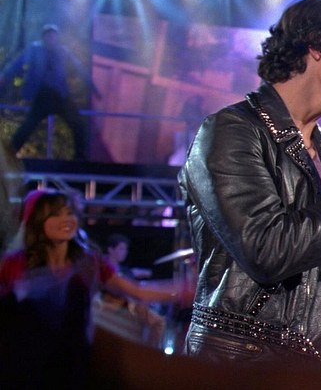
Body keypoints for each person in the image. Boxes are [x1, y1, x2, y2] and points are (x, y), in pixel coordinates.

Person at [178, 0, 321, 378]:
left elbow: (314, 280)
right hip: (238, 372)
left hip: (307, 375)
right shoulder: (230, 131)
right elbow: (266, 250)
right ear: (317, 46)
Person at [0, 189, 185, 388]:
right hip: (26, 363)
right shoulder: (13, 263)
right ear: (38, 220)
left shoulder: (89, 262)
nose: (66, 219)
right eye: (56, 214)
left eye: (69, 213)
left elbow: (137, 291)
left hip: (75, 362)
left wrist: (182, 291)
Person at [0, 24, 100, 160]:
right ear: (44, 38)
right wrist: (4, 77)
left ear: (57, 38)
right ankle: (9, 155)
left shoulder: (63, 51)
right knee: (28, 126)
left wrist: (92, 86)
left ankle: (79, 157)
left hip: (60, 95)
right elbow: (17, 64)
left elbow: (79, 67)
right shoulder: (34, 49)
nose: (51, 39)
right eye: (49, 36)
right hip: (43, 95)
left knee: (78, 124)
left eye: (54, 36)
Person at [98, 233, 167, 347]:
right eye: (121, 248)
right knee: (154, 320)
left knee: (158, 321)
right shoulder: (104, 266)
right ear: (110, 249)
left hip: (126, 303)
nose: (124, 252)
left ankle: (148, 350)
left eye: (126, 249)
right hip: (111, 304)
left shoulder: (123, 270)